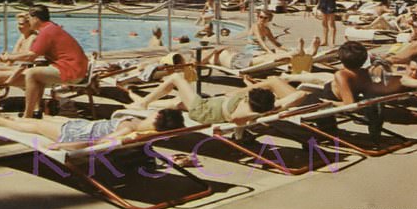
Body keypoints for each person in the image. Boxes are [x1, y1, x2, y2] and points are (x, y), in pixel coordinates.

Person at [0, 5, 88, 118]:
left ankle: (27, 116)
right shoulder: (50, 28)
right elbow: (35, 54)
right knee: (37, 74)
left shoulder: (46, 32)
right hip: (75, 68)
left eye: (29, 19)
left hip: (72, 71)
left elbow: (31, 56)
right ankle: (36, 111)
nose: (29, 22)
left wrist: (10, 57)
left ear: (36, 18)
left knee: (32, 73)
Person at [129, 73, 311, 125]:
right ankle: (138, 100)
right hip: (208, 105)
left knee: (176, 78)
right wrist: (276, 107)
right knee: (176, 102)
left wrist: (251, 115)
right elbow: (301, 94)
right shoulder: (272, 106)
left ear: (248, 100)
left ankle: (143, 102)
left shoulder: (245, 111)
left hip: (203, 109)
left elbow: (235, 119)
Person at [0, 107, 185, 150]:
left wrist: (64, 145)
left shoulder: (127, 129)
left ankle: (0, 121)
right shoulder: (138, 125)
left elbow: (98, 142)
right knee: (47, 119)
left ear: (157, 116)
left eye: (156, 112)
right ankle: (11, 118)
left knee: (38, 125)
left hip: (75, 134)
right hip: (81, 126)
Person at [323, 42, 417, 105]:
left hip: (343, 89)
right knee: (315, 78)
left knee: (315, 83)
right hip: (359, 82)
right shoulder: (402, 72)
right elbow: (393, 67)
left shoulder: (406, 80)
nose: (413, 73)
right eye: (412, 68)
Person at [0, 13, 38, 86]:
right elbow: (12, 57)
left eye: (21, 24)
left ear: (30, 25)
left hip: (28, 72)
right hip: (19, 69)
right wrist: (5, 62)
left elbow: (26, 63)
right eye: (18, 24)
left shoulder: (33, 38)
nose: (19, 27)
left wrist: (9, 81)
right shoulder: (22, 36)